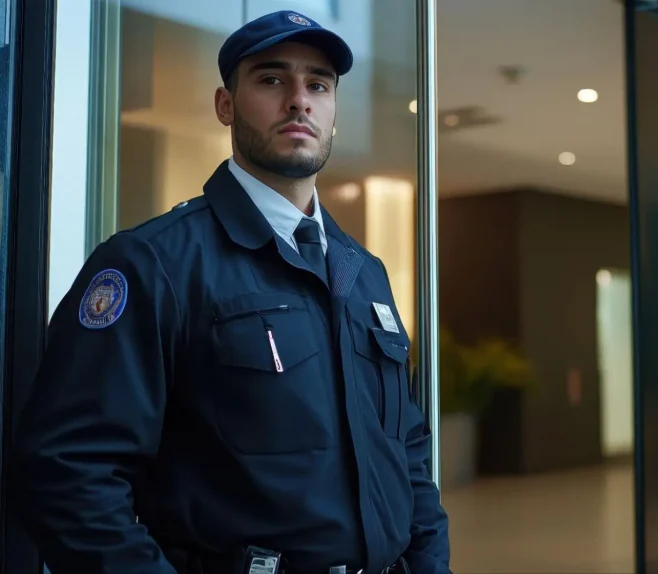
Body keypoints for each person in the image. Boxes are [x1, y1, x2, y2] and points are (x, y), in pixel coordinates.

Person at [10, 10, 450, 574]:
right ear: (226, 105)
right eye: (271, 79)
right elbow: (68, 473)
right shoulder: (155, 263)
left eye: (318, 84)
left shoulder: (364, 272)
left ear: (334, 112)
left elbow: (408, 453)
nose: (299, 100)